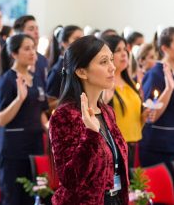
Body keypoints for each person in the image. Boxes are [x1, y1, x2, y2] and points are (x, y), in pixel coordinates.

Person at [49, 35, 129, 204]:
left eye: (111, 60)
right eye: (104, 62)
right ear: (81, 71)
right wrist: (90, 136)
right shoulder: (65, 116)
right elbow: (69, 179)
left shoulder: (107, 112)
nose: (112, 67)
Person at [0, 34, 47, 205]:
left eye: (33, 48)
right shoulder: (7, 80)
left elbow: (40, 111)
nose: (32, 52)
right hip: (14, 148)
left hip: (35, 144)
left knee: (34, 194)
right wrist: (19, 99)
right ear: (14, 54)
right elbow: (1, 119)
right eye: (27, 48)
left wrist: (50, 129)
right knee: (13, 197)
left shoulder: (37, 77)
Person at [102, 35, 152, 169]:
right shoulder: (105, 86)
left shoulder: (130, 84)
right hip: (114, 149)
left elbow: (133, 120)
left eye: (125, 49)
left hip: (133, 145)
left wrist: (144, 116)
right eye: (118, 50)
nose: (124, 53)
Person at [139, 27, 174, 170]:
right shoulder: (155, 74)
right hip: (158, 146)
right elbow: (149, 115)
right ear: (165, 48)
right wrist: (169, 89)